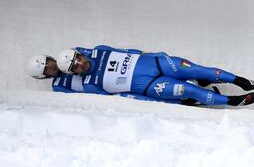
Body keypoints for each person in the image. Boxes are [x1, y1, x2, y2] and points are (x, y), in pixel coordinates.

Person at [57, 45, 254, 106]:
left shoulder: (100, 49)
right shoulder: (91, 85)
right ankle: (233, 100)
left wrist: (157, 55)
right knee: (188, 89)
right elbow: (120, 97)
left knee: (197, 69)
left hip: (156, 63)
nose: (82, 64)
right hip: (151, 85)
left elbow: (131, 51)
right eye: (76, 67)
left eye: (79, 59)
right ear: (73, 73)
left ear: (81, 54)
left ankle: (239, 81)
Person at [26, 55, 201, 105]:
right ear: (44, 76)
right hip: (110, 90)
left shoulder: (68, 57)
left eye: (49, 62)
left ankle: (194, 80)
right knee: (145, 97)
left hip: (114, 75)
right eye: (47, 68)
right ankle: (183, 101)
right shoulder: (58, 87)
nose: (51, 66)